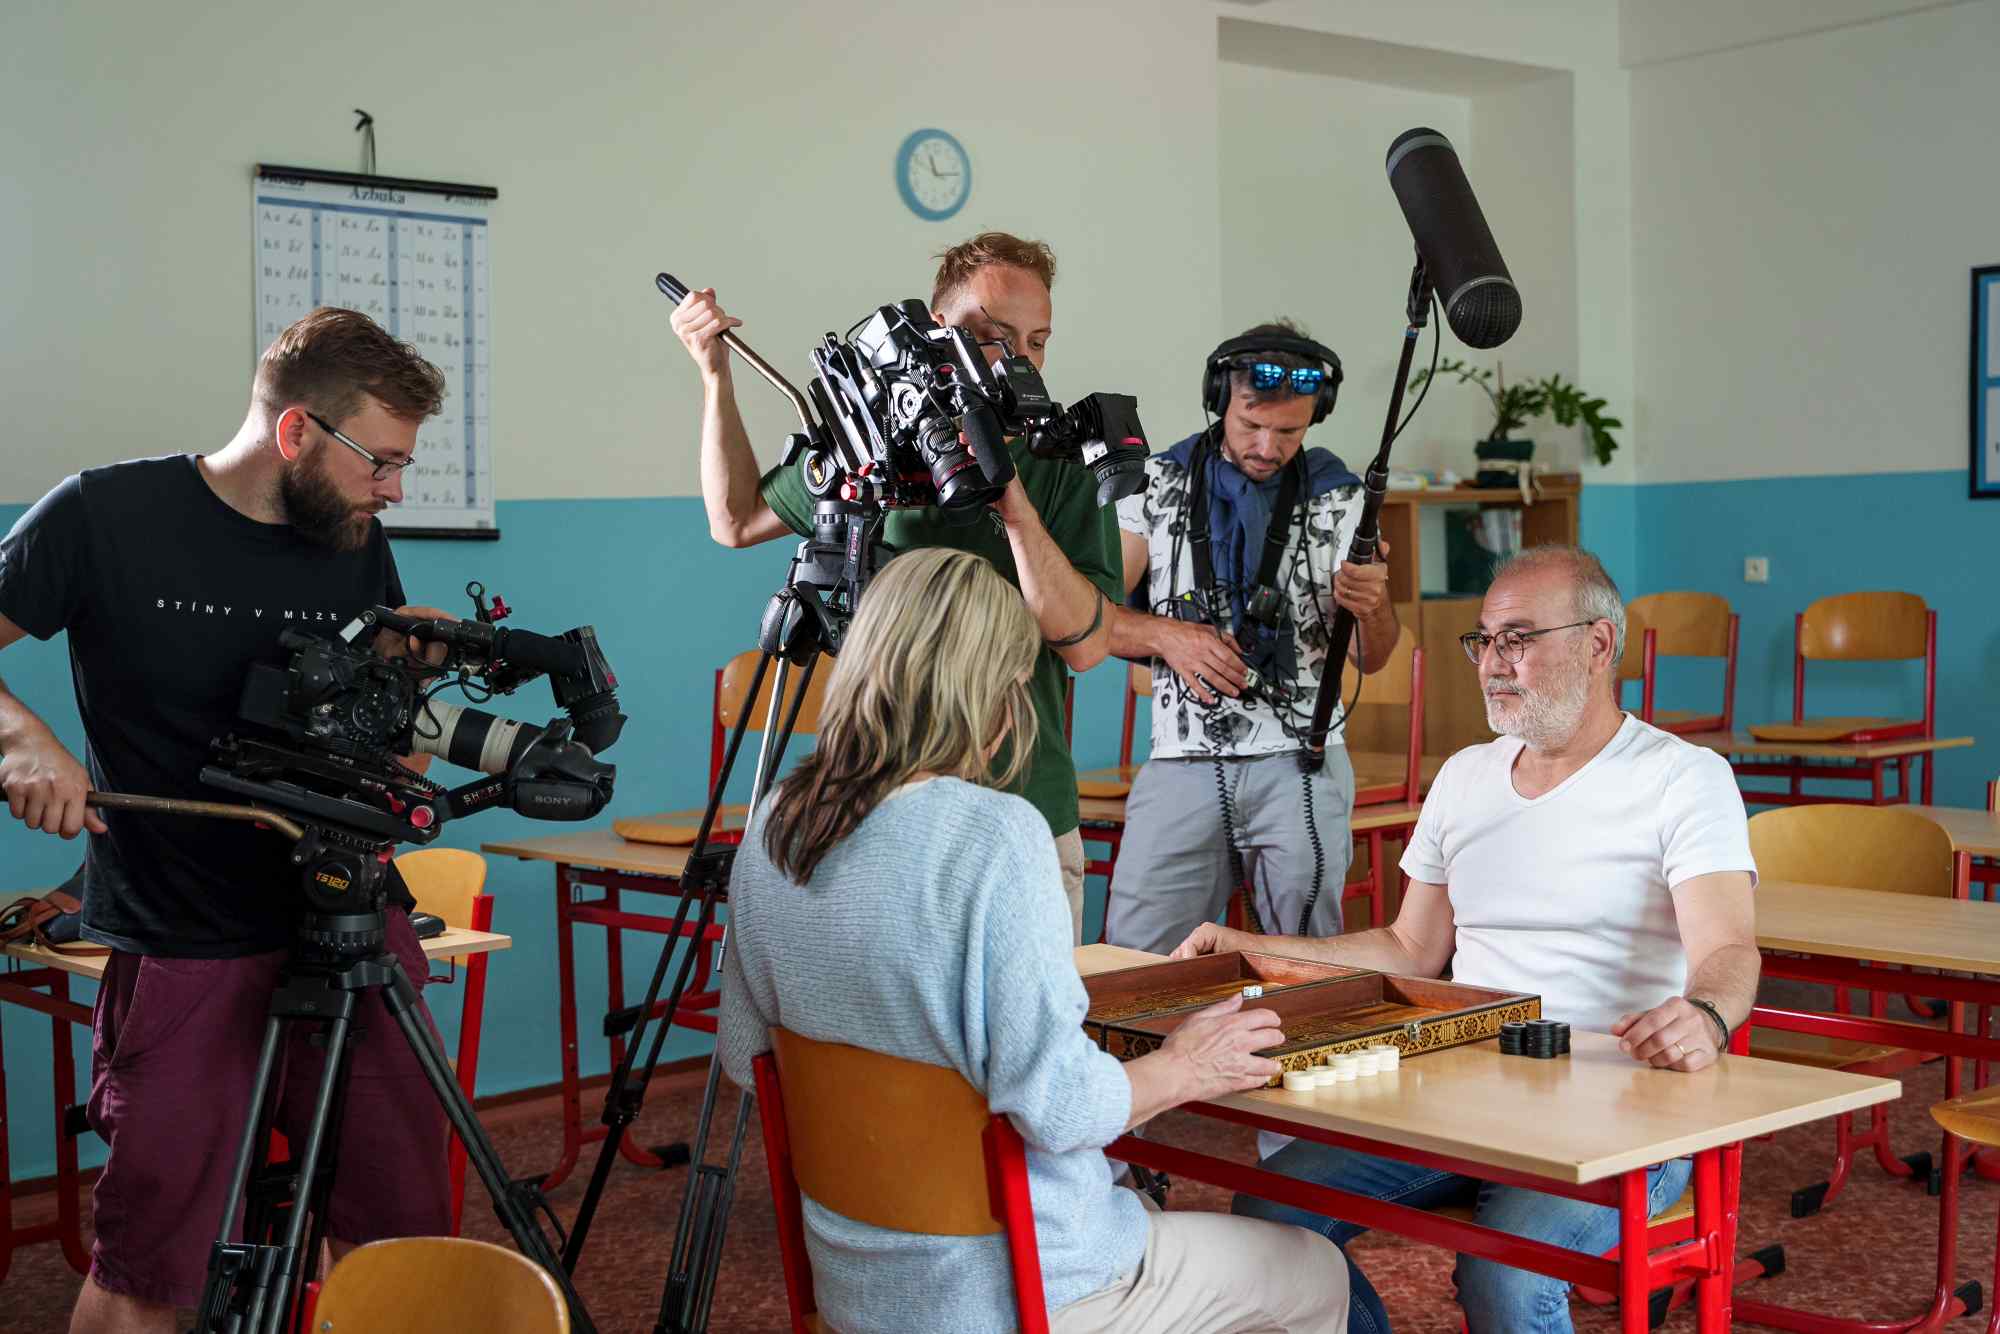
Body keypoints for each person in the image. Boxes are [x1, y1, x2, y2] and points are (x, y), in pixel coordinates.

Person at [718, 547, 1349, 1334]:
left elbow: (745, 1056)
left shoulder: (775, 820)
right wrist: (1187, 1065)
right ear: (992, 691)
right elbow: (1060, 1110)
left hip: (854, 1285)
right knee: (1315, 1270)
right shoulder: (995, 835)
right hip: (1019, 1288)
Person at [0, 308, 458, 1332]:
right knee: (152, 1266)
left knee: (401, 1247)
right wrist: (20, 738)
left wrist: (413, 684)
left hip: (348, 922)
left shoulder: (353, 535)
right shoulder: (103, 514)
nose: (392, 489)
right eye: (381, 461)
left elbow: (388, 758)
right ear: (296, 431)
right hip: (184, 934)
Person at [1174, 545, 1759, 1334]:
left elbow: (1729, 951)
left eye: (1518, 639)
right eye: (1484, 641)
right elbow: (1410, 948)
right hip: (1464, 1088)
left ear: (1597, 644)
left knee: (1506, 1274)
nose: (1491, 663)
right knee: (1272, 1210)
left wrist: (1707, 1016)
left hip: (1623, 1109)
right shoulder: (1466, 776)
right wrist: (1254, 953)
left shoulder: (1682, 777)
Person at [670, 231, 1122, 943]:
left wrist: (1007, 496)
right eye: (995, 338)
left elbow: (1085, 645)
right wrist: (714, 375)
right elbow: (736, 519)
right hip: (881, 811)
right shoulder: (882, 436)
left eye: (1036, 342)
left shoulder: (1061, 462)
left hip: (1023, 806)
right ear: (939, 332)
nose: (1019, 360)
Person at [1105, 321, 1398, 954]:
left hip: (1302, 761)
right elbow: (1092, 619)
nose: (1267, 447)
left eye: (1289, 432)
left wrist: (1371, 608)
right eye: (1250, 424)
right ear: (1220, 401)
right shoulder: (1155, 483)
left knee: (1308, 961)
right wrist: (1169, 637)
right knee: (1133, 960)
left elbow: (1373, 655)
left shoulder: (1342, 499)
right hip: (1180, 761)